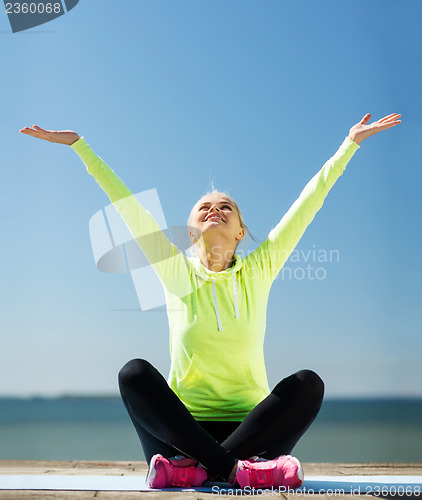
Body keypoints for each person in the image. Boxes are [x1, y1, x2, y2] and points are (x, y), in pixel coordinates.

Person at [20, 112, 401, 489]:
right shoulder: (175, 271)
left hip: (251, 427)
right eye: (204, 208)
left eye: (225, 207)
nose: (214, 210)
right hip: (181, 431)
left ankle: (201, 469)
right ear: (190, 232)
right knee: (133, 374)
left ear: (240, 233)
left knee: (308, 384)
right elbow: (128, 208)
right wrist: (80, 147)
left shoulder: (259, 269)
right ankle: (238, 469)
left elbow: (308, 203)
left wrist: (349, 145)